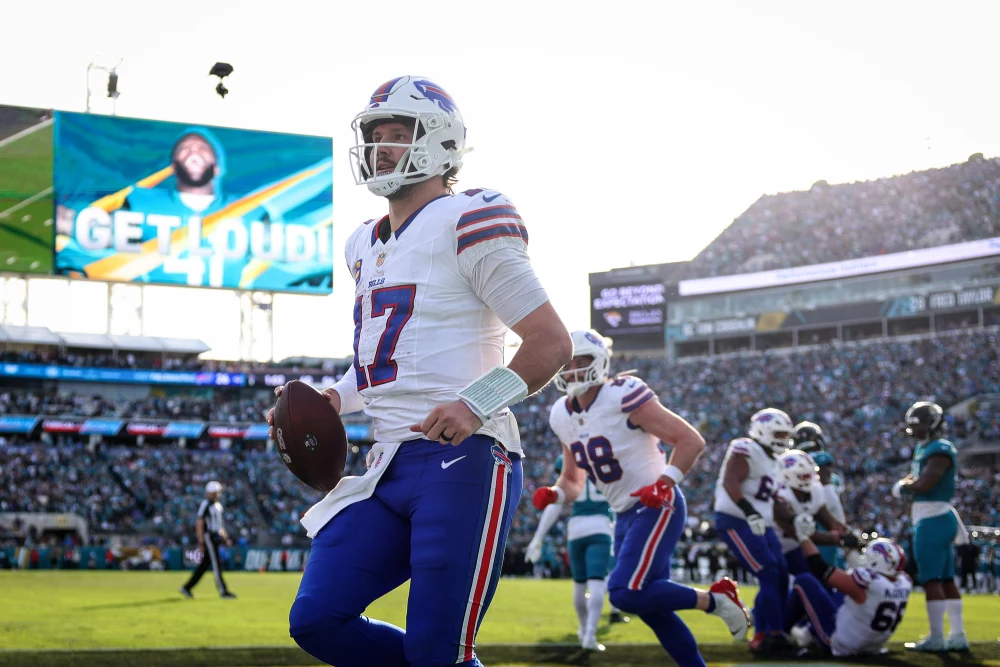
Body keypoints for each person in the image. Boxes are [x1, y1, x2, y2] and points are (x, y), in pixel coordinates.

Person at [268, 75, 571, 667]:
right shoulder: (362, 244)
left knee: (438, 650)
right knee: (318, 619)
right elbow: (388, 361)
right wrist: (337, 398)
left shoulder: (470, 217)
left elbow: (550, 342)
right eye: (374, 134)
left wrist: (475, 403)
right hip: (386, 464)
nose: (380, 147)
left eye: (396, 133)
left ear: (439, 141)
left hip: (463, 459)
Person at [533, 330, 750, 665]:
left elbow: (690, 440)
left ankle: (716, 600)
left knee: (624, 593)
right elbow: (574, 480)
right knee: (652, 607)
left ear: (600, 362)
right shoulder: (561, 414)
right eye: (568, 363)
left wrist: (664, 483)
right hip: (623, 513)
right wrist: (556, 492)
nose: (573, 369)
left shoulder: (622, 394)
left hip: (657, 504)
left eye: (581, 361)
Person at [525, 454, 627, 650]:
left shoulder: (570, 458)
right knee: (597, 582)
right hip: (600, 526)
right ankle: (589, 635)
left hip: (576, 529)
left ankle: (582, 628)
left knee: (579, 585)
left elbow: (556, 504)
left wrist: (538, 537)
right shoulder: (607, 457)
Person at [714, 408, 794, 653]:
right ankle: (774, 635)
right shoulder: (746, 448)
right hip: (737, 519)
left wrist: (794, 517)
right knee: (767, 571)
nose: (783, 439)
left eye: (785, 434)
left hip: (761, 523)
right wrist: (749, 511)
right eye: (778, 434)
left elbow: (770, 498)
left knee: (780, 573)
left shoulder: (774, 460)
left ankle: (764, 633)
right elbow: (730, 481)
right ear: (762, 431)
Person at [893, 401, 968, 652]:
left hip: (933, 519)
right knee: (946, 579)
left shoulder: (939, 449)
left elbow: (925, 484)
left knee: (931, 580)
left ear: (932, 424)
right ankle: (957, 635)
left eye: (918, 424)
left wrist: (903, 487)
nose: (914, 430)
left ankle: (937, 637)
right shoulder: (925, 448)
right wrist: (908, 484)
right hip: (934, 517)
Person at [786, 536, 912, 657]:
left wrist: (803, 538)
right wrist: (849, 548)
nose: (864, 560)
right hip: (872, 646)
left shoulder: (869, 583)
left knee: (805, 580)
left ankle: (781, 632)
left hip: (841, 644)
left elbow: (821, 568)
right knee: (837, 589)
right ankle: (809, 631)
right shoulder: (904, 582)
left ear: (875, 562)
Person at [773, 449, 860, 576]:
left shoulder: (814, 490)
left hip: (793, 548)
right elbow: (801, 533)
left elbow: (828, 520)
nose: (809, 479)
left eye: (811, 474)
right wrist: (840, 539)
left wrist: (850, 535)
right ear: (786, 476)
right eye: (804, 476)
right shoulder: (780, 497)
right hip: (773, 547)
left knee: (813, 579)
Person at [794, 422, 848, 568]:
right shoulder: (821, 460)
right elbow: (833, 504)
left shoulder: (791, 465)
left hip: (802, 526)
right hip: (825, 525)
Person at [179, 481, 236, 599]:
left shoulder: (218, 506)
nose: (214, 495)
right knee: (216, 563)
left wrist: (225, 538)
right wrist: (201, 541)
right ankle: (223, 591)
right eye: (212, 493)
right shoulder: (205, 504)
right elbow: (200, 523)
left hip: (216, 536)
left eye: (215, 493)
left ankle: (186, 587)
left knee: (204, 565)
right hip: (209, 536)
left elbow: (220, 526)